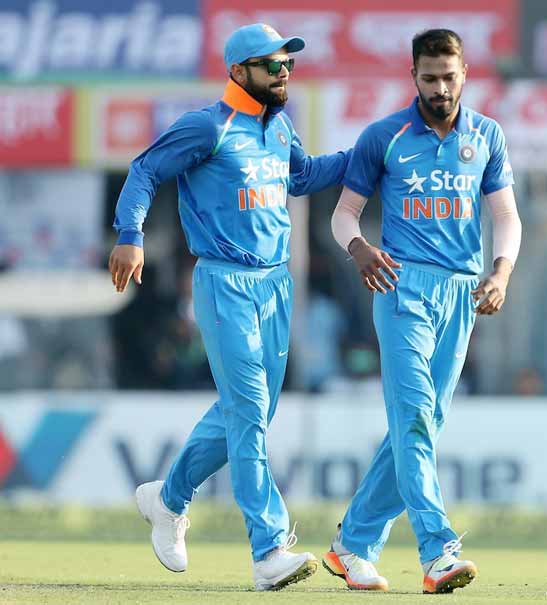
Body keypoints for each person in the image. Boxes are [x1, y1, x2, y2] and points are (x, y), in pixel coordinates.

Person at [108, 23, 351, 591]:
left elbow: (303, 177)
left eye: (288, 63)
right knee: (249, 410)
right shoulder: (207, 126)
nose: (284, 73)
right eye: (272, 65)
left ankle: (168, 500)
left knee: (250, 413)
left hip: (277, 285)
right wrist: (130, 234)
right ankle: (269, 550)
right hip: (225, 282)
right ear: (239, 71)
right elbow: (145, 170)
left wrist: (365, 155)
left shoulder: (279, 126)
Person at [325, 29, 522, 594]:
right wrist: (359, 248)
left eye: (449, 77)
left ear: (465, 75)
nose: (440, 88)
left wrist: (501, 272)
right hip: (401, 286)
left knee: (422, 424)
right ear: (413, 76)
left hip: (461, 293)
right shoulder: (383, 136)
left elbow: (506, 216)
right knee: (413, 416)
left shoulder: (486, 135)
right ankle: (438, 550)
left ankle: (353, 544)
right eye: (430, 78)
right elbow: (344, 214)